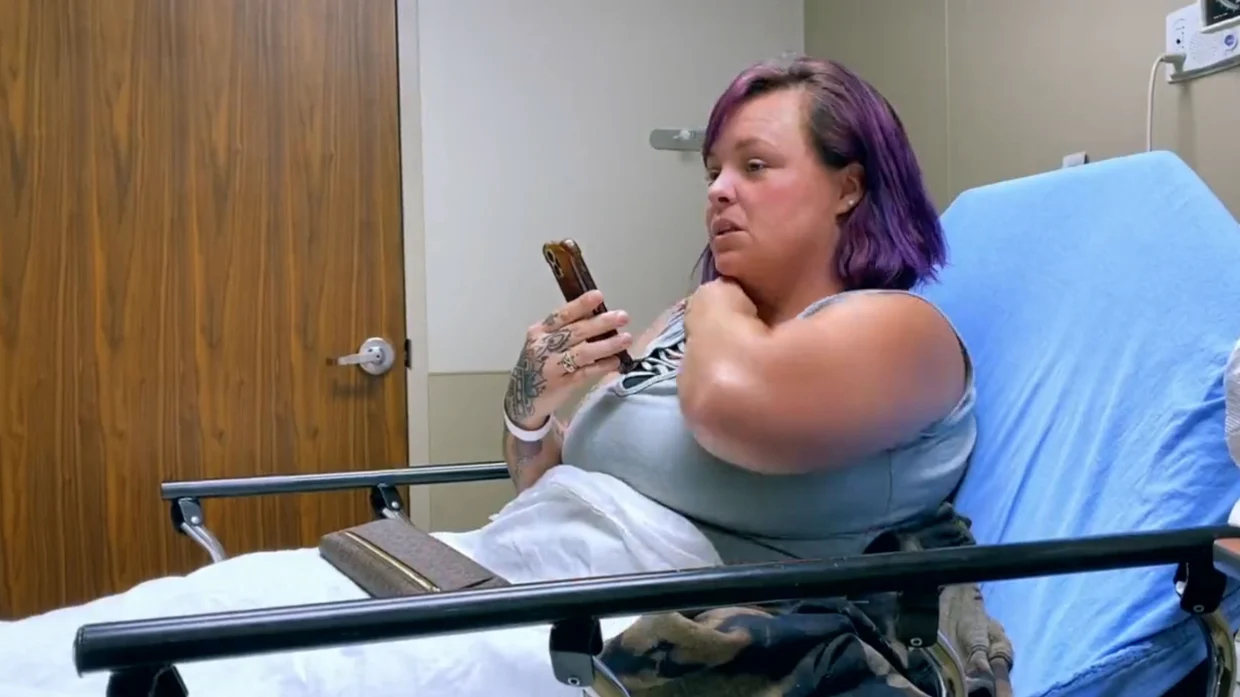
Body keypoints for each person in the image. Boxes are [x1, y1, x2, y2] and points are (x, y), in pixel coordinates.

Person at [501, 54, 976, 563]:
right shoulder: (688, 320)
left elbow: (724, 406)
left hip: (643, 609)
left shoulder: (901, 328)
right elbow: (560, 481)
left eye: (754, 166)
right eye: (713, 172)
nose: (717, 191)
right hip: (523, 563)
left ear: (848, 188)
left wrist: (716, 299)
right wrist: (527, 411)